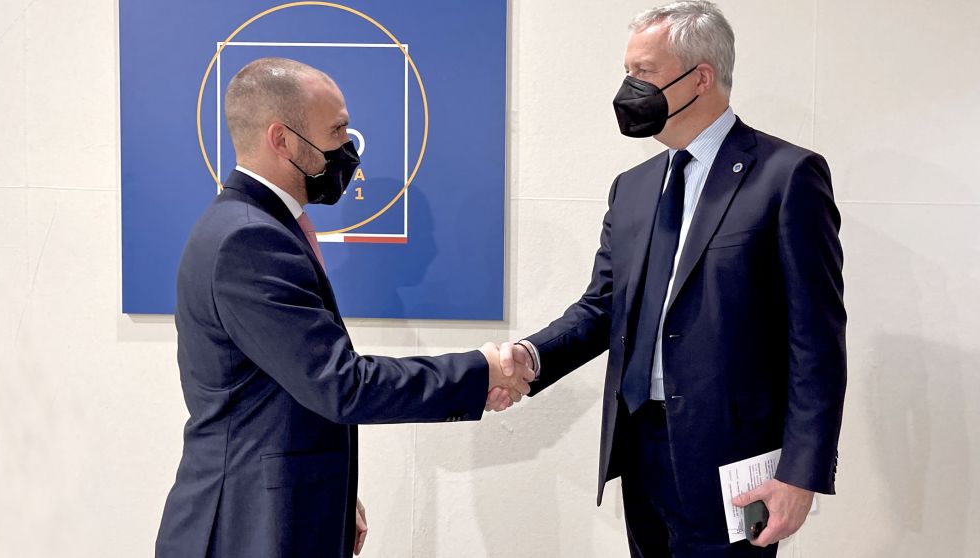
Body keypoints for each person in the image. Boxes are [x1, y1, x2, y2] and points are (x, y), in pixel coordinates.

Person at [497, 2, 846, 556]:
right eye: (627, 72)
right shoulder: (632, 187)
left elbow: (817, 340)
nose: (627, 87)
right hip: (639, 448)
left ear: (700, 77)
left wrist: (801, 474)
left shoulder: (787, 177)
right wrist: (530, 357)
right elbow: (602, 308)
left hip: (736, 461)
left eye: (643, 72)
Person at [155, 57, 531, 558]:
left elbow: (291, 389)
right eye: (335, 131)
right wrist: (480, 371)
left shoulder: (260, 225)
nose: (348, 149)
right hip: (248, 525)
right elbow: (341, 385)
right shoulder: (249, 239)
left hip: (281, 510)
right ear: (281, 139)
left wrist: (333, 493)